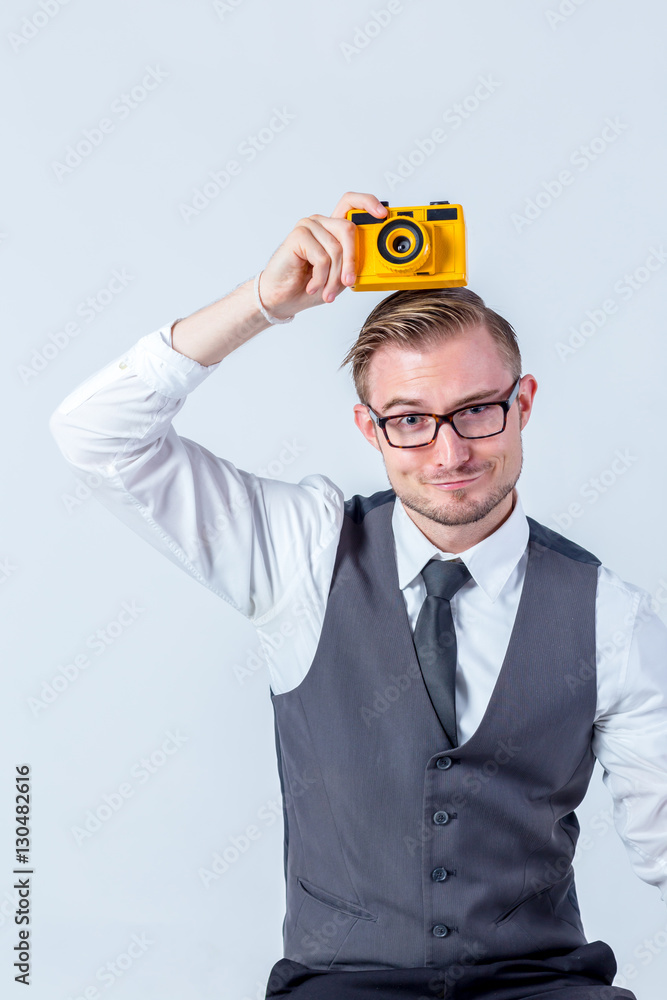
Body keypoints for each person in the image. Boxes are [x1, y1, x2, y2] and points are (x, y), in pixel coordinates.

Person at [49, 191, 666, 1000]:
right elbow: (96, 434)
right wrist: (263, 305)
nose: (448, 451)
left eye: (477, 410)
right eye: (409, 419)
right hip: (342, 987)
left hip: (542, 986)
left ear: (522, 405)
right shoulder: (299, 553)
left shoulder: (607, 614)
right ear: (368, 428)